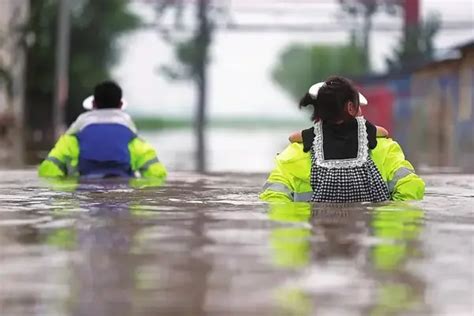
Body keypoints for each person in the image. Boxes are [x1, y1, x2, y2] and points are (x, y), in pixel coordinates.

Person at [260, 76, 425, 203]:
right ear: (353, 109)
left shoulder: (295, 153)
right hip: (367, 241)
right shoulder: (383, 147)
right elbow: (411, 187)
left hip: (316, 242)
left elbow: (274, 199)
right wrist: (384, 225)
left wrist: (306, 233)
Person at [38, 81, 167, 181]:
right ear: (120, 105)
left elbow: (47, 172)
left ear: (93, 104)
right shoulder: (133, 141)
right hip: (122, 199)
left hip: (84, 199)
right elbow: (157, 175)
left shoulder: (72, 139)